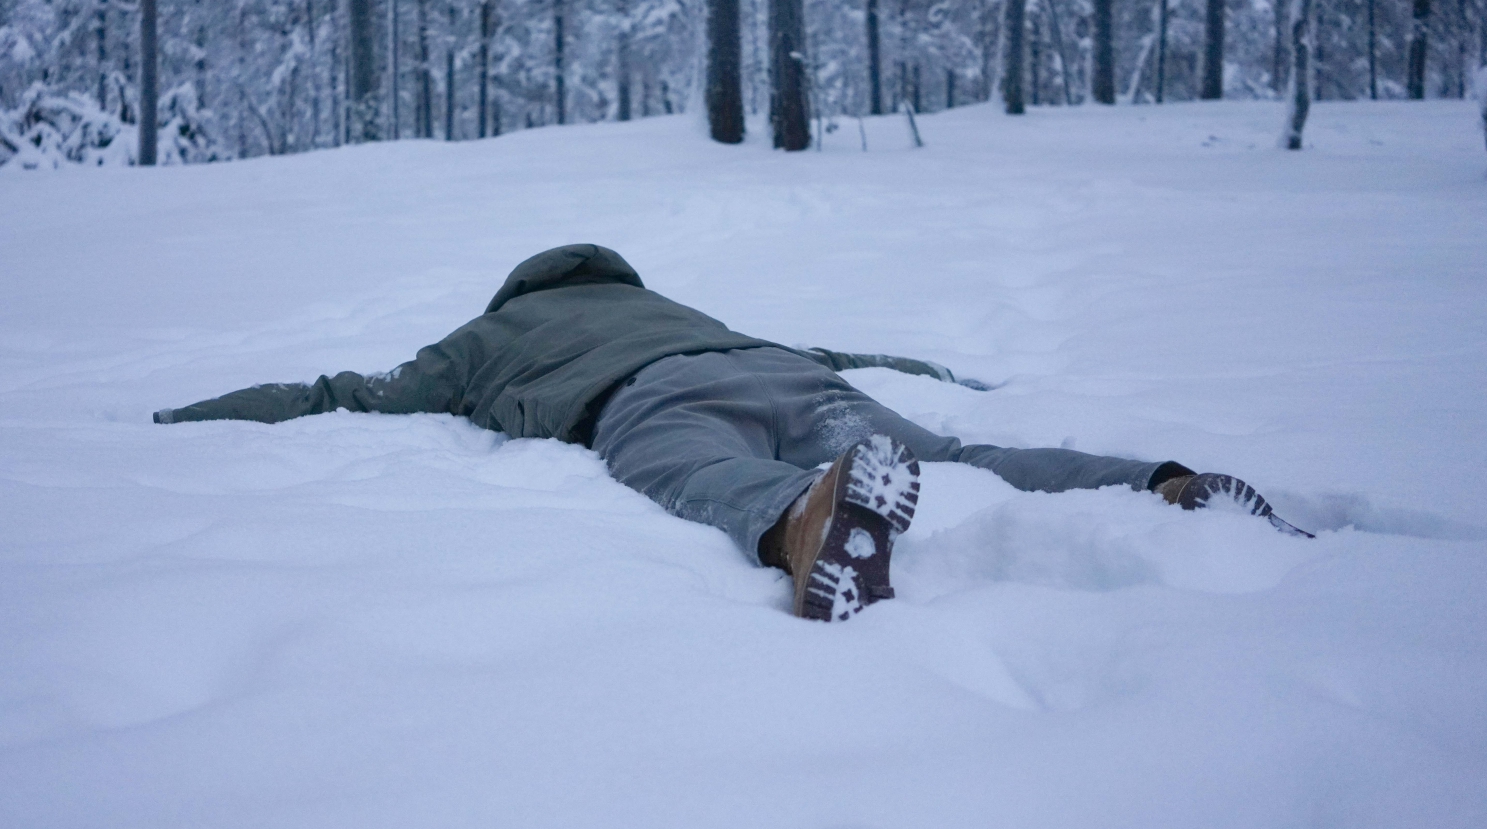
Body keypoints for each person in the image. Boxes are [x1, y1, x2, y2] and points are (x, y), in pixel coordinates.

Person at [154, 244, 1307, 622]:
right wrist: (938, 372)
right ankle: (1158, 482)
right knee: (959, 459)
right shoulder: (670, 300)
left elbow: (345, 393)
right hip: (782, 369)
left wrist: (182, 416)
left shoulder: (486, 335)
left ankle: (801, 522)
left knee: (698, 472)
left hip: (652, 400)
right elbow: (833, 343)